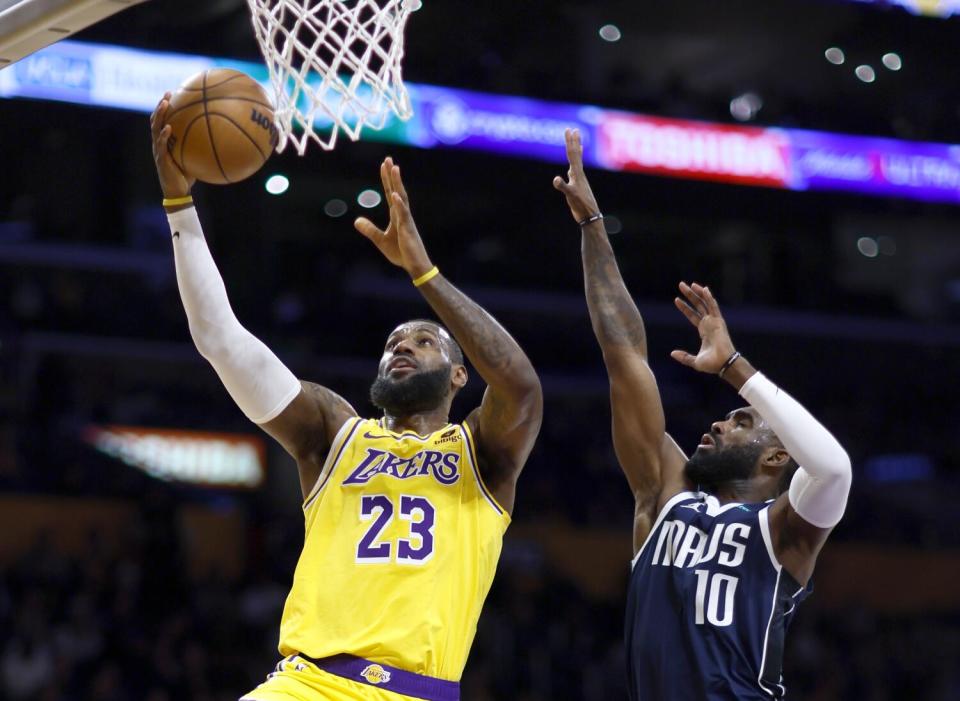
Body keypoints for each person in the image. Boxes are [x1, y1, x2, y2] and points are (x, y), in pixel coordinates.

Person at [150, 94, 543, 701]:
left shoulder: (483, 456)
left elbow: (519, 385)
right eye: (392, 343)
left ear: (461, 377)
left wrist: (425, 274)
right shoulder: (334, 431)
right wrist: (180, 206)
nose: (401, 348)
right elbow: (222, 341)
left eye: (422, 342)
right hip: (306, 684)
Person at [553, 128, 852, 700]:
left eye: (741, 421)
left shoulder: (786, 529)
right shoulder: (665, 494)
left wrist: (734, 367)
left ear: (777, 454)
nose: (717, 423)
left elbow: (835, 468)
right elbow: (623, 355)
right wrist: (593, 228)